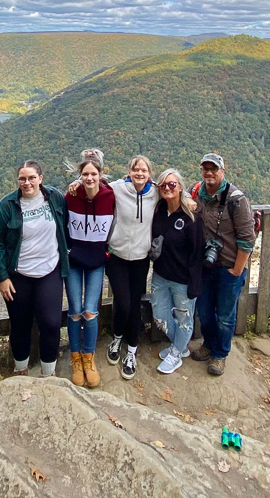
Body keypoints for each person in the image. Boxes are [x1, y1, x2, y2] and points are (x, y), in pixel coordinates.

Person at [0, 160, 69, 378]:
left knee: (51, 324)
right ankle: (21, 369)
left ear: (41, 179)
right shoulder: (7, 206)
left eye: (32, 177)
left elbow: (67, 221)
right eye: (22, 179)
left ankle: (48, 373)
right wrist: (2, 277)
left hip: (49, 271)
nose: (27, 183)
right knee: (20, 324)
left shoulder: (54, 198)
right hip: (19, 274)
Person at [190, 153, 255, 377]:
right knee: (205, 311)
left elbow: (247, 239)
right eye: (205, 168)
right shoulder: (196, 192)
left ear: (222, 172)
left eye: (213, 169)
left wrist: (237, 270)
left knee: (225, 316)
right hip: (205, 265)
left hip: (228, 266)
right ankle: (208, 344)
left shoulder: (236, 200)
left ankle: (220, 354)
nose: (209, 172)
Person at [104, 155, 159, 380]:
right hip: (116, 256)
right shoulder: (117, 188)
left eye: (144, 170)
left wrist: (191, 200)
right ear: (129, 171)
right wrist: (77, 184)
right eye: (136, 169)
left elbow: (177, 192)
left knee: (134, 304)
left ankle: (132, 351)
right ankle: (117, 338)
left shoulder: (155, 192)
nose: (139, 173)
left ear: (149, 173)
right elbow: (94, 185)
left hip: (140, 258)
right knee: (123, 302)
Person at [64, 156, 115, 388]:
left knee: (90, 311)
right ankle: (76, 358)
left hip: (96, 262)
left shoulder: (110, 196)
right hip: (74, 260)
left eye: (94, 174)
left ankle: (88, 356)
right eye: (85, 174)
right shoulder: (71, 196)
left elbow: (139, 184)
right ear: (80, 176)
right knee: (75, 310)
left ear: (101, 175)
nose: (89, 178)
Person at [150, 169, 204, 374]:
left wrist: (194, 284)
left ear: (180, 187)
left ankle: (176, 353)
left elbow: (197, 252)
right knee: (160, 315)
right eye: (163, 185)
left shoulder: (191, 217)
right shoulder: (158, 211)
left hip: (182, 279)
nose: (167, 188)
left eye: (172, 184)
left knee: (184, 319)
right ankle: (180, 347)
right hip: (161, 275)